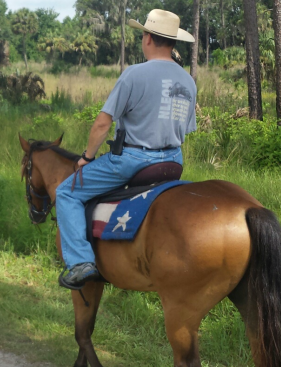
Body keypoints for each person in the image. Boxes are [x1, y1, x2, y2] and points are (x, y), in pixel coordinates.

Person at [57, 9, 197, 287]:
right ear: (173, 43)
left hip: (133, 159)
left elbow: (102, 124)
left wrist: (87, 157)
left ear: (147, 38)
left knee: (66, 193)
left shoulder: (134, 74)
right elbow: (186, 130)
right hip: (173, 161)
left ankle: (80, 263)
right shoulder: (188, 81)